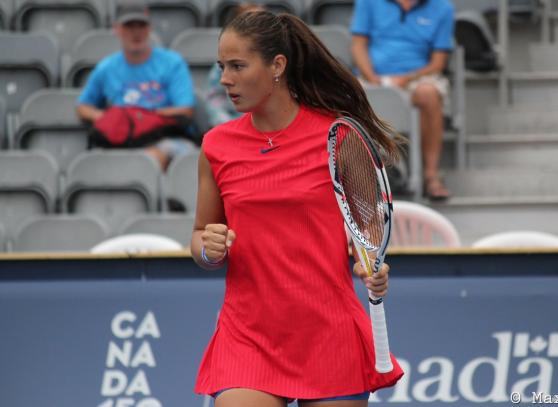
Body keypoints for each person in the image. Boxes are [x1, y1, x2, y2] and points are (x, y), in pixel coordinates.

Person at [190, 10, 404, 407]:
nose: (224, 79)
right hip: (249, 334)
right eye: (222, 66)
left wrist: (368, 261)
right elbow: (201, 235)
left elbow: (367, 227)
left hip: (328, 332)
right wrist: (208, 248)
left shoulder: (336, 136)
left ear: (277, 66)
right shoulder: (215, 146)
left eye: (238, 66)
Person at [351, 0, 455, 200]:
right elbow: (358, 46)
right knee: (344, 96)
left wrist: (405, 79)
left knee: (429, 94)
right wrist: (374, 79)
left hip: (417, 78)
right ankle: (353, 179)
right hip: (371, 76)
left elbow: (438, 62)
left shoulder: (443, 8)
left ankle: (431, 176)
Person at [76, 0, 196, 171]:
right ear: (117, 29)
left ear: (149, 28)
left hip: (162, 136)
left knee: (150, 159)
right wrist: (107, 118)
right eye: (129, 26)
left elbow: (185, 110)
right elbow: (82, 107)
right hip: (121, 139)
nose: (136, 32)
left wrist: (142, 116)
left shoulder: (172, 63)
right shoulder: (107, 67)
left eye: (141, 25)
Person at [203, 3, 264, 127]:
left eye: (262, 24)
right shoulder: (221, 67)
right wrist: (231, 127)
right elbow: (214, 101)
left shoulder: (274, 63)